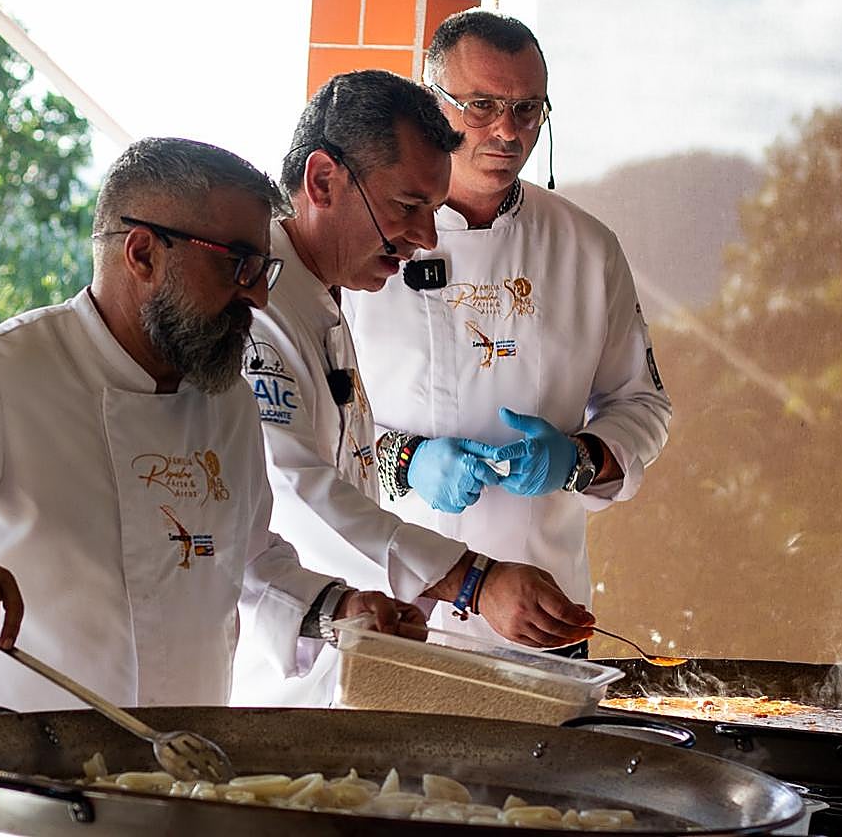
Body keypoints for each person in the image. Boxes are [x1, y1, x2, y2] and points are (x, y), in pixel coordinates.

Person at [0, 137, 424, 711]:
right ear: (143, 253)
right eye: (237, 266)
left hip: (177, 775)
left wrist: (337, 608)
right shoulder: (4, 371)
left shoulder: (227, 397)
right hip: (24, 788)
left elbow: (244, 561)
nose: (258, 297)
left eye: (262, 270)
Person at [230, 70, 594, 707]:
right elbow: (294, 488)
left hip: (358, 643)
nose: (426, 238)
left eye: (434, 209)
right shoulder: (261, 309)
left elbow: (351, 467)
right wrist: (472, 582)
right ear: (322, 182)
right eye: (408, 208)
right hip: (279, 676)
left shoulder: (324, 299)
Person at [345, 10, 673, 658]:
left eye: (527, 108)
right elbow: (313, 428)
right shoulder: (366, 240)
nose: (506, 130)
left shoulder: (586, 247)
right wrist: (407, 461)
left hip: (541, 611)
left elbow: (644, 405)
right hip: (389, 605)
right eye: (482, 105)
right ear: (432, 105)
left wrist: (578, 457)